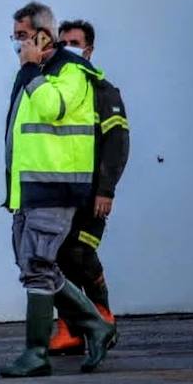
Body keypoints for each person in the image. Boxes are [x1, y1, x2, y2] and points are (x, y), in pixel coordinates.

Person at [0, 1, 116, 378]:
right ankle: (96, 326)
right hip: (31, 189)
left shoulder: (71, 72)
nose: (17, 44)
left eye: (22, 36)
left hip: (56, 188)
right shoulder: (38, 71)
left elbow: (52, 109)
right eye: (15, 36)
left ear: (42, 35)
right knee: (35, 265)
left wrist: (31, 68)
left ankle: (36, 353)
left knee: (36, 266)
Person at [48, 19, 130, 354]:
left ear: (89, 49)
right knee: (56, 256)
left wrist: (106, 190)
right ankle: (71, 327)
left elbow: (117, 144)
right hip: (61, 191)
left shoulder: (103, 91)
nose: (69, 47)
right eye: (63, 42)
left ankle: (102, 316)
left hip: (92, 193)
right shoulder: (58, 91)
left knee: (80, 253)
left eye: (75, 42)